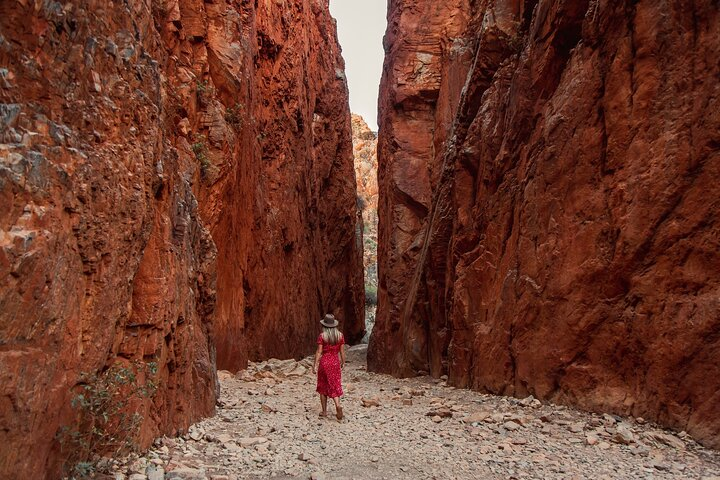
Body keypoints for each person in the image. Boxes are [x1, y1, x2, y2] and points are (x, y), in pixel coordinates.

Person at [313, 313, 346, 420]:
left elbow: (319, 351)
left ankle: (324, 411)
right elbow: (342, 351)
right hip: (335, 362)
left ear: (324, 325)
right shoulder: (340, 336)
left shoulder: (322, 336)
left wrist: (315, 365)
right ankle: (337, 405)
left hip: (325, 362)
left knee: (323, 386)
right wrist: (343, 362)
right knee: (335, 384)